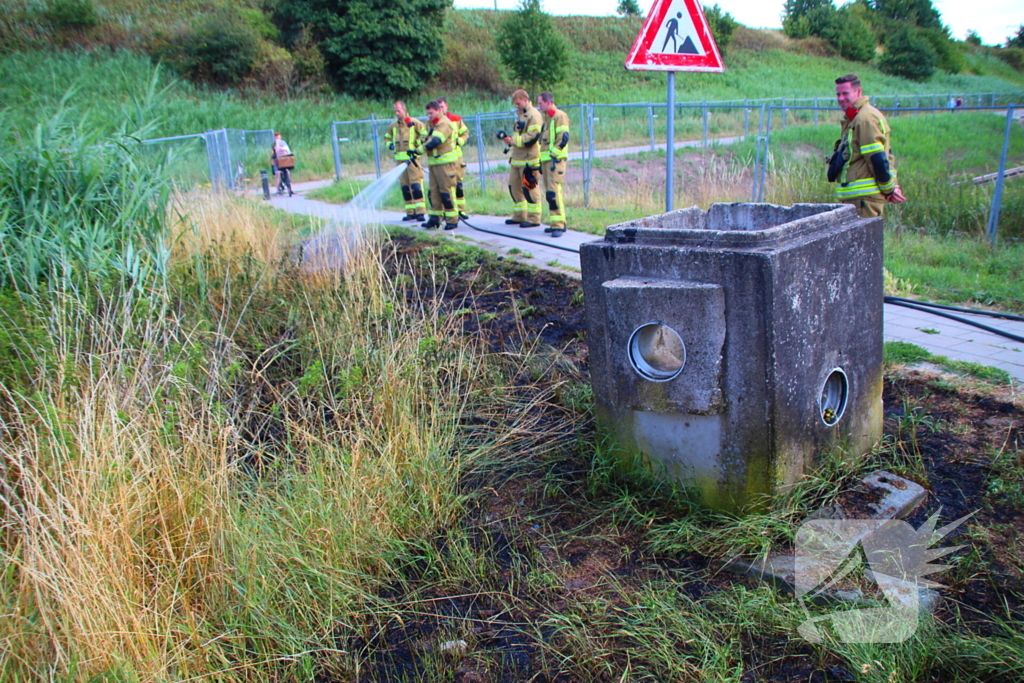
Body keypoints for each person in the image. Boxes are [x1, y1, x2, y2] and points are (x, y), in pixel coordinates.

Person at [828, 74, 905, 218]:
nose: (841, 98)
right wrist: (890, 187)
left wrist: (889, 189)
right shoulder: (855, 118)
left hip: (863, 201)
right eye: (838, 94)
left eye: (845, 93)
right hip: (857, 200)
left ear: (858, 92)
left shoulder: (865, 118)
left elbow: (877, 159)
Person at [502, 89, 543, 228]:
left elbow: (532, 137)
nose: (516, 106)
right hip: (517, 159)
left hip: (529, 160)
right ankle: (520, 216)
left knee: (530, 188)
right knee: (514, 187)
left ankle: (534, 218)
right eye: (515, 104)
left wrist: (513, 140)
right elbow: (520, 135)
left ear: (525, 100)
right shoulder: (521, 115)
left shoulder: (534, 115)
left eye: (518, 103)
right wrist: (510, 141)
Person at [385, 101, 428, 221]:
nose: (396, 113)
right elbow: (387, 137)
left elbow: (425, 135)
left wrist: (416, 145)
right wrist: (390, 145)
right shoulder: (393, 125)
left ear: (404, 110)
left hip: (412, 160)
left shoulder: (414, 123)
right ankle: (410, 212)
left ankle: (420, 212)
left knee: (416, 185)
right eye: (395, 111)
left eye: (398, 110)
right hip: (399, 161)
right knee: (405, 187)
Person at [421, 100, 460, 231]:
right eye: (428, 113)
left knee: (446, 192)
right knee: (434, 193)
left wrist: (419, 150)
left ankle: (452, 220)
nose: (429, 115)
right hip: (434, 164)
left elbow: (435, 141)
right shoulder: (431, 123)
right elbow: (424, 138)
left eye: (431, 113)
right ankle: (434, 219)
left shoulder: (445, 123)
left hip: (445, 165)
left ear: (438, 110)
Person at [537, 91, 570, 237]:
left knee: (554, 193)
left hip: (554, 162)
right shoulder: (548, 118)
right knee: (550, 194)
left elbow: (563, 138)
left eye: (540, 103)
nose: (539, 106)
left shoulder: (559, 116)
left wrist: (553, 156)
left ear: (548, 102)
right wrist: (541, 161)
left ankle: (558, 225)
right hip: (547, 162)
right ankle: (556, 223)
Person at [437, 97, 470, 218]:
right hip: (443, 159)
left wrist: (459, 141)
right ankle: (448, 211)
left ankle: (461, 210)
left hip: (457, 157)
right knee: (445, 187)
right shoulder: (435, 122)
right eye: (438, 107)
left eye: (442, 106)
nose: (441, 109)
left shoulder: (456, 119)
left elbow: (465, 133)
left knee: (458, 185)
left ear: (447, 106)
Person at [271, 132, 293, 196]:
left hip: (284, 160)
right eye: (276, 137)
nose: (278, 138)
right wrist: (277, 144)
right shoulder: (274, 144)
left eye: (278, 137)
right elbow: (276, 150)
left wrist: (281, 149)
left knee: (288, 172)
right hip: (277, 160)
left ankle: (291, 188)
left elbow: (287, 150)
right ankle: (277, 189)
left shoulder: (283, 142)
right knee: (277, 174)